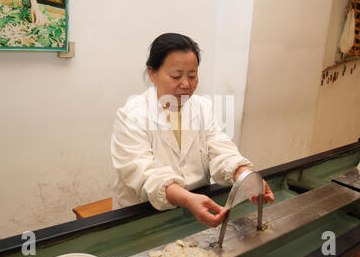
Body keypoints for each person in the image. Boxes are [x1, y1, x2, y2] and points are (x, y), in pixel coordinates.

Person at [111, 33, 274, 227]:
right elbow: (143, 173)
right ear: (152, 73)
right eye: (176, 76)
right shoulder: (132, 115)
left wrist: (245, 176)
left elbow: (220, 149)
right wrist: (187, 199)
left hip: (194, 210)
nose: (186, 84)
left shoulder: (202, 108)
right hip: (144, 216)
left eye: (192, 75)